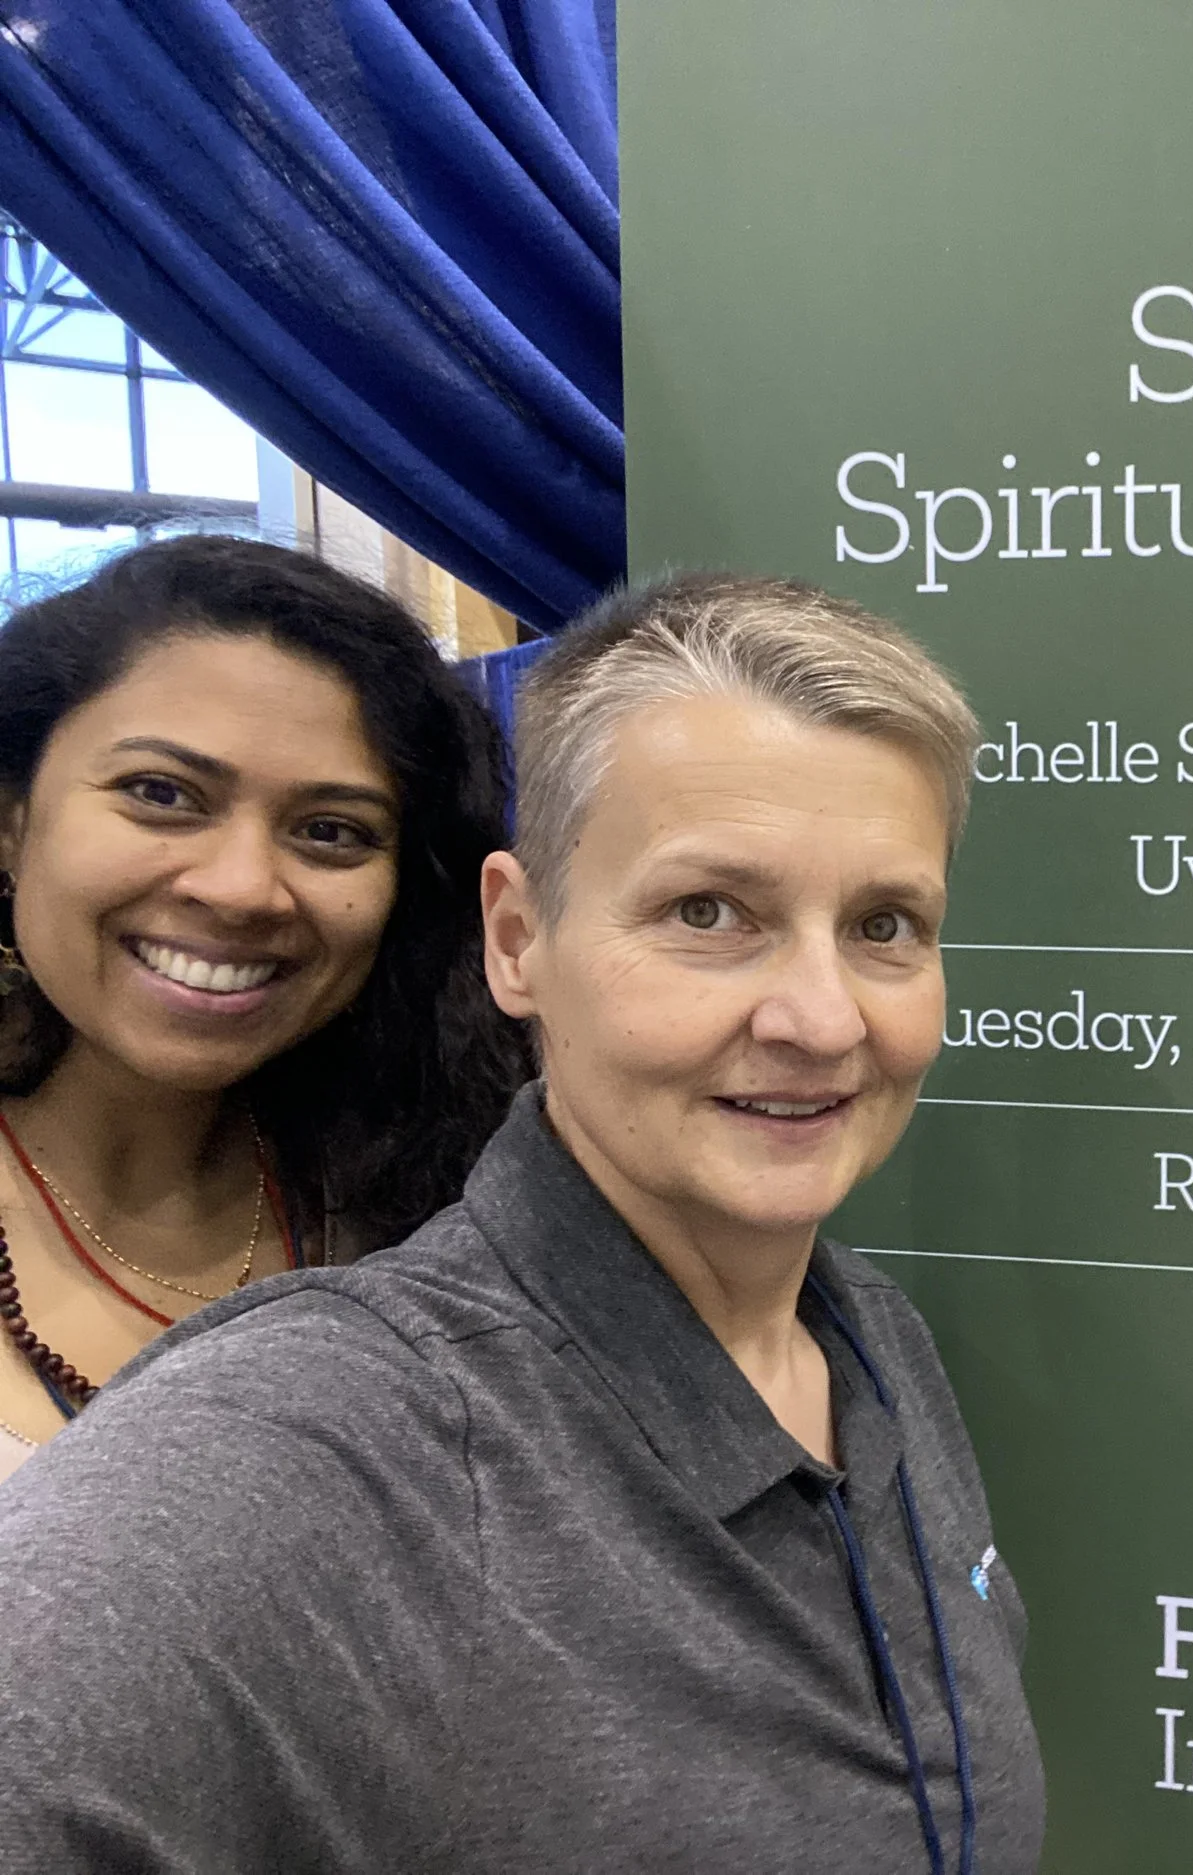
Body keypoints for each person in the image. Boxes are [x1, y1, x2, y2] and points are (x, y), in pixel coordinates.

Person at [0, 572, 1044, 1872]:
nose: (824, 1019)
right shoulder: (325, 1440)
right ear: (516, 935)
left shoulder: (874, 1345)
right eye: (708, 911)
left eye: (886, 924)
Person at [0, 534, 522, 1478]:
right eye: (162, 794)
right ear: (12, 820)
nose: (242, 889)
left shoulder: (448, 1197)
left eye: (332, 831)